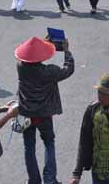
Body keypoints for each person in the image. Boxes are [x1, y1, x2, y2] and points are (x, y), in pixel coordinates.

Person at [16, 35, 75, 184]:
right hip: (43, 114)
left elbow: (30, 56)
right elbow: (68, 70)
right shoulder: (49, 71)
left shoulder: (20, 67)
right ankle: (50, 179)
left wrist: (43, 44)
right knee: (49, 143)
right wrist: (66, 51)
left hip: (24, 112)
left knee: (28, 147)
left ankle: (34, 180)